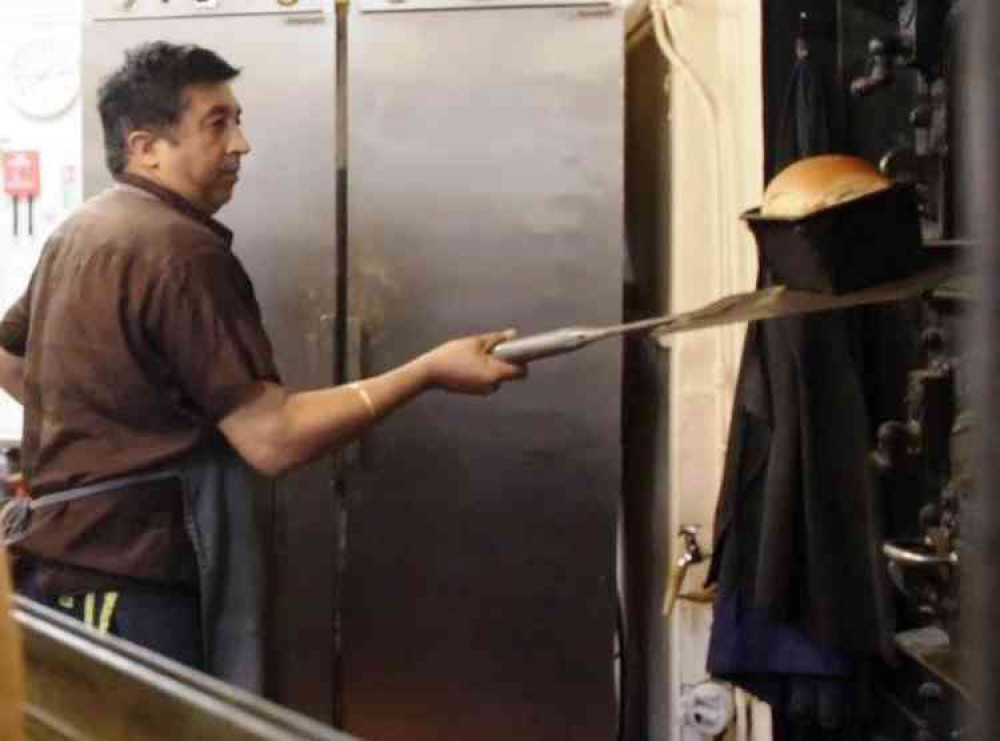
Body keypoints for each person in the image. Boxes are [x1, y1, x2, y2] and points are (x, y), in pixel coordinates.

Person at [0, 42, 523, 686]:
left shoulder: (83, 229)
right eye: (217, 124)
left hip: (75, 573)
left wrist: (106, 427)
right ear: (146, 148)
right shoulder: (178, 250)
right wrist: (428, 371)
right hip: (132, 580)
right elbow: (271, 438)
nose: (241, 144)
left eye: (238, 120)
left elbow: (6, 351)